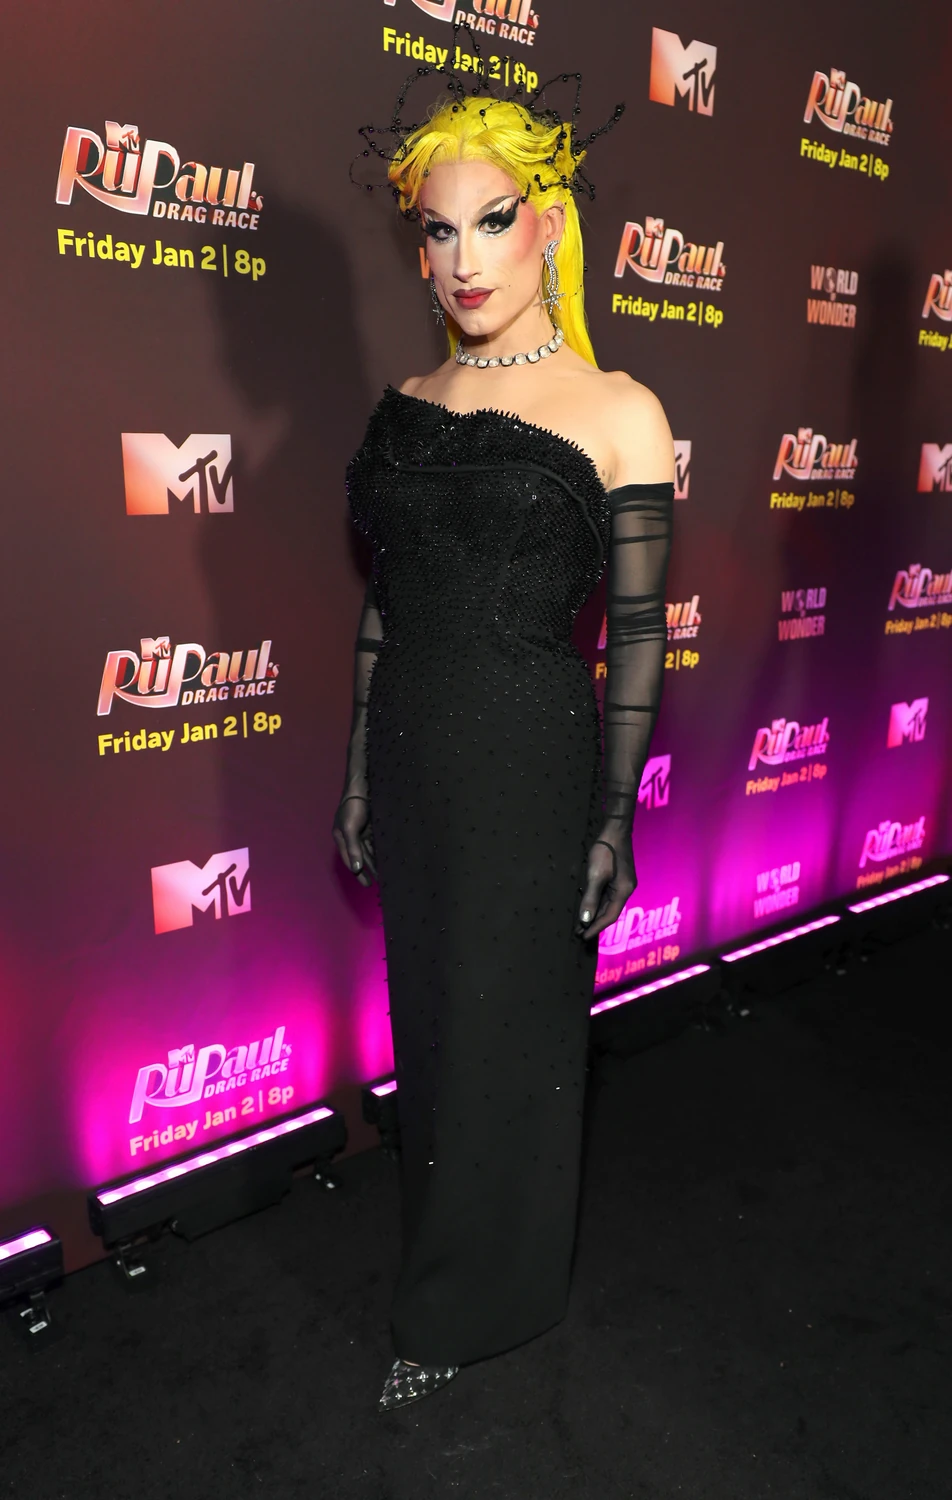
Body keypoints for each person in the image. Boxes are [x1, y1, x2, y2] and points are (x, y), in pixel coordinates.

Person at [334, 85, 674, 1410]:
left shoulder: (619, 409)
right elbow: (384, 605)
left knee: (509, 1034)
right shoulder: (403, 405)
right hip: (414, 755)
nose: (463, 257)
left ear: (551, 226)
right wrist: (357, 769)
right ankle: (453, 1258)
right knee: (434, 1030)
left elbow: (636, 633)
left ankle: (477, 1303)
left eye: (492, 220)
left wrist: (614, 816)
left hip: (529, 762)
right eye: (438, 230)